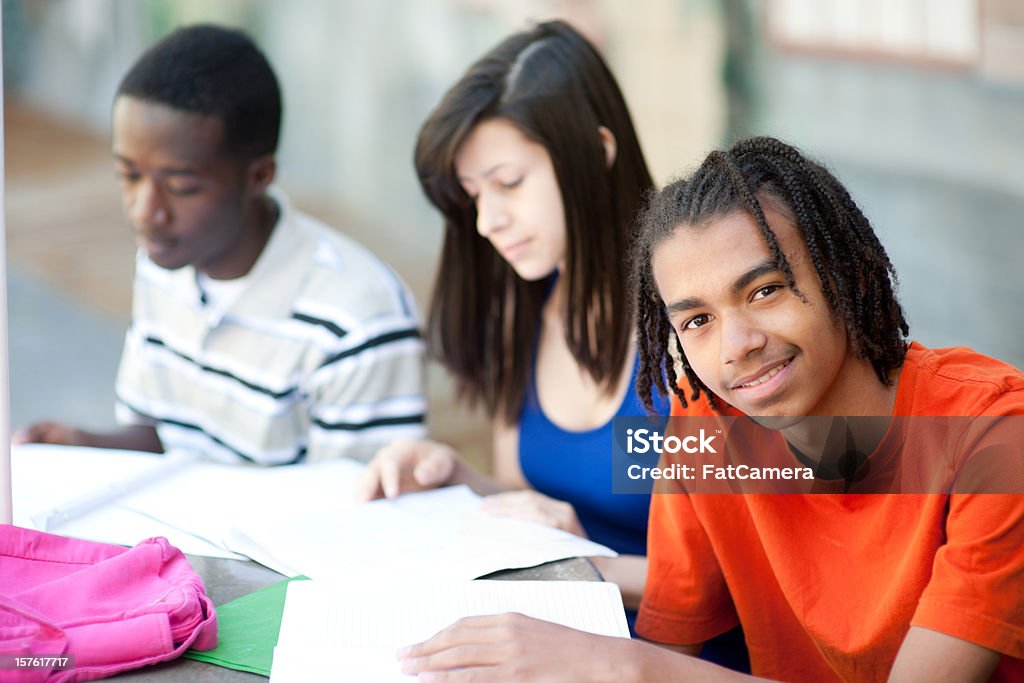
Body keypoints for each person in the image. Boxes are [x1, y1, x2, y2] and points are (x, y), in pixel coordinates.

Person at [396, 137, 1024, 681]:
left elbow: (648, 665)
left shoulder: (994, 435)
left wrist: (617, 665)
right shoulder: (709, 423)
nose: (737, 346)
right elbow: (673, 632)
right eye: (696, 319)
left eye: (766, 290)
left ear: (849, 273)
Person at [357, 19, 697, 641]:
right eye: (472, 194)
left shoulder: (694, 326)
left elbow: (740, 576)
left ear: (597, 150)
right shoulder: (521, 311)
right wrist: (456, 475)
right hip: (561, 631)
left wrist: (582, 559)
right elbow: (529, 496)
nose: (488, 219)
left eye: (509, 183)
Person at [14, 24, 425, 465]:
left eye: (181, 186)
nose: (145, 210)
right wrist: (83, 445)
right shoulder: (165, 262)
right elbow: (167, 439)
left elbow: (361, 513)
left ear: (259, 176)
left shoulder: (356, 320)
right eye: (129, 175)